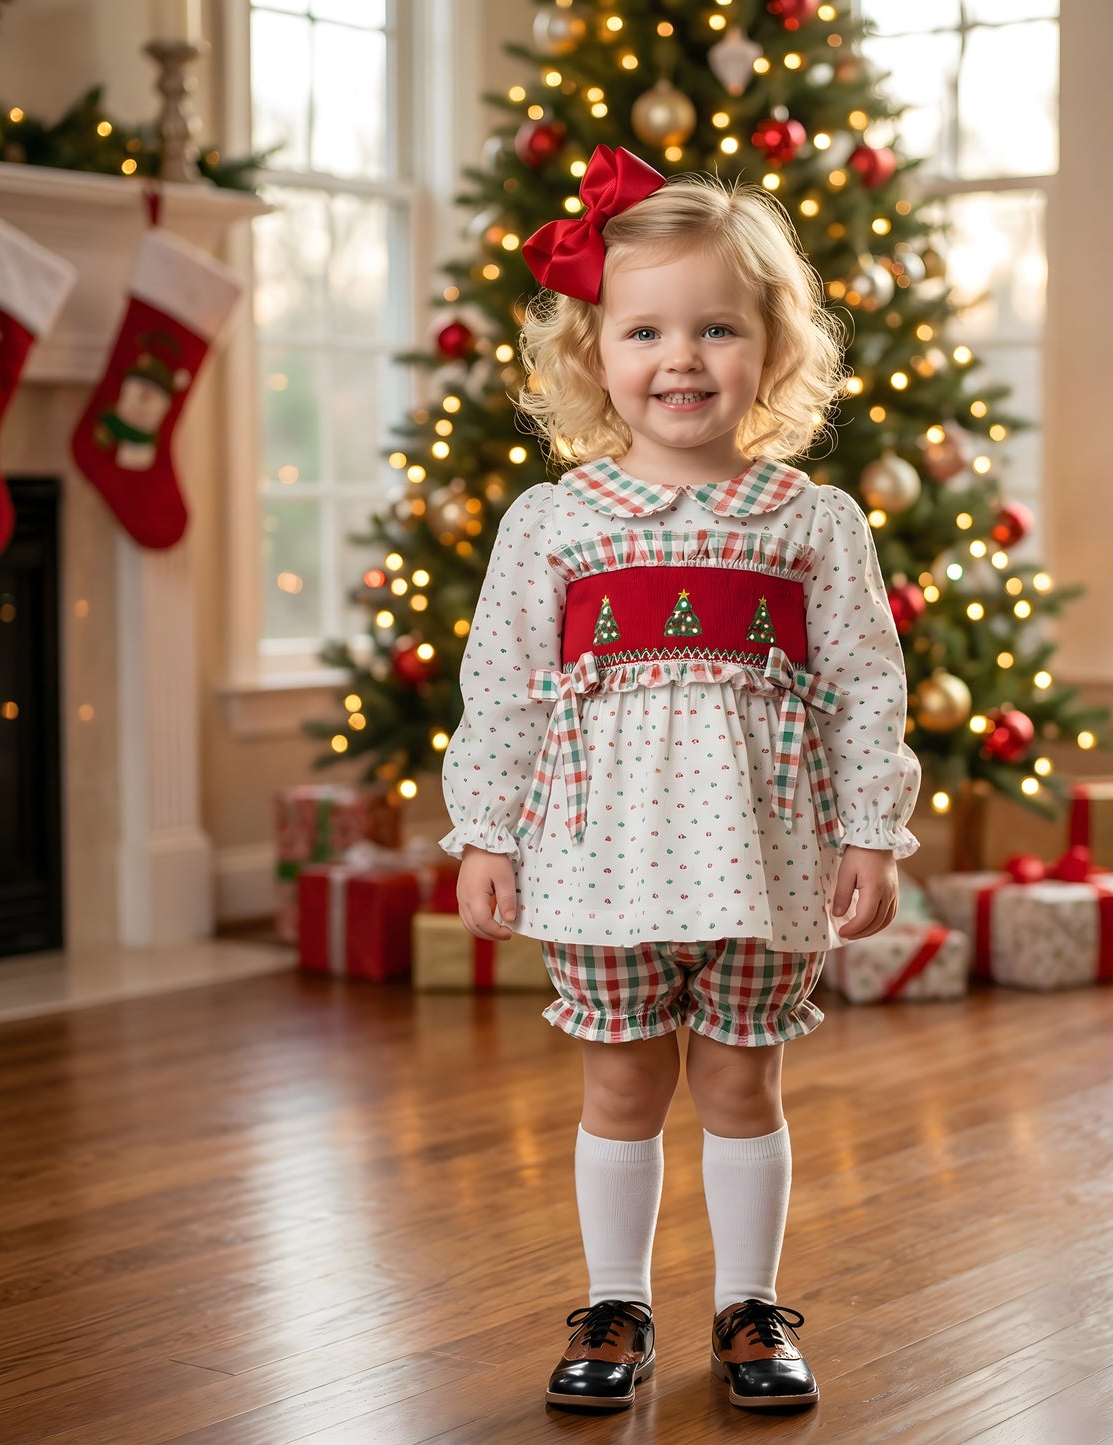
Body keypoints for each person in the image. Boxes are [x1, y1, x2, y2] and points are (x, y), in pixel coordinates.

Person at [440, 145, 920, 1414]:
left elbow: (867, 684)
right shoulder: (556, 520)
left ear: (770, 345)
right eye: (646, 328)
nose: (682, 358)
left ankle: (749, 1310)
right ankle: (616, 1301)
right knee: (619, 1083)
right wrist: (484, 831)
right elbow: (503, 686)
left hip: (766, 860)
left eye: (718, 327)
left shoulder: (808, 519)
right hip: (599, 862)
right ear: (595, 350)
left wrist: (869, 832)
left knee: (738, 1082)